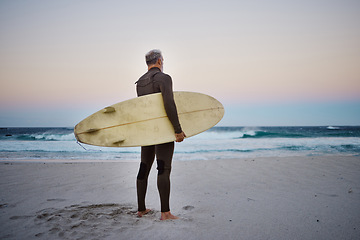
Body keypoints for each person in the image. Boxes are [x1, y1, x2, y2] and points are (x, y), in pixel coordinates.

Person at [135, 49, 186, 220]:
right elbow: (169, 104)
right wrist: (177, 130)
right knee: (163, 169)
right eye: (162, 60)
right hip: (162, 131)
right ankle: (165, 213)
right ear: (159, 61)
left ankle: (141, 209)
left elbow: (144, 109)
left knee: (144, 168)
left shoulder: (140, 83)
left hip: (147, 132)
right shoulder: (164, 78)